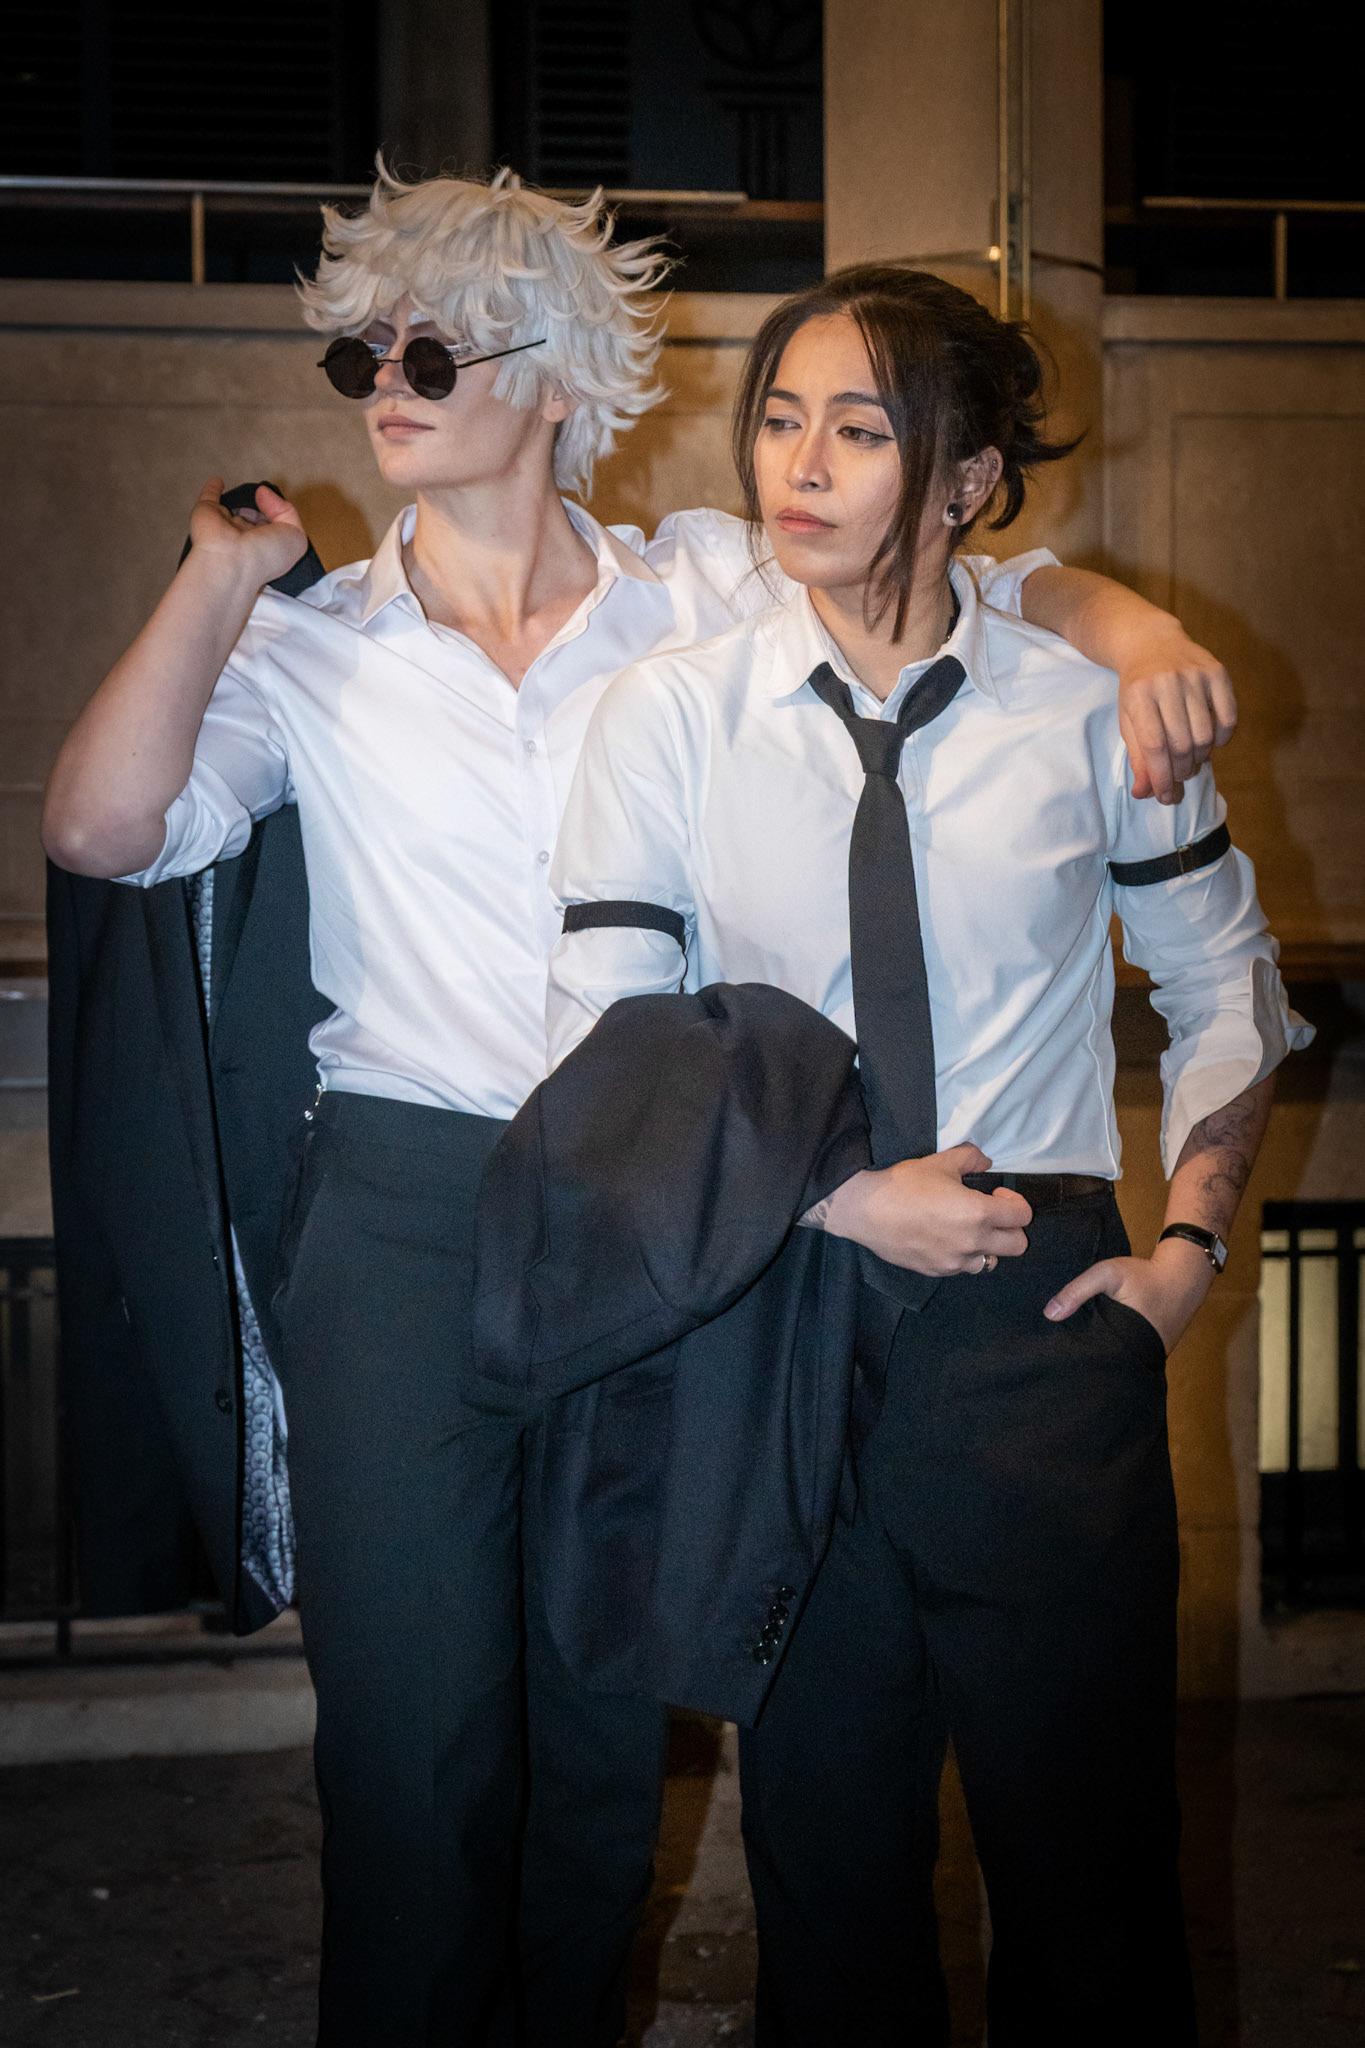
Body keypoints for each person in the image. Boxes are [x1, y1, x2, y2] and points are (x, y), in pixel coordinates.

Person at [43, 162, 1242, 2047]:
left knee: (607, 1722)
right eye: (361, 352)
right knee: (418, 1740)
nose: (381, 386)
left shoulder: (692, 580)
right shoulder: (311, 645)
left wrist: (1135, 633)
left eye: (429, 350)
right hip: (414, 1201)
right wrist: (214, 580)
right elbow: (105, 830)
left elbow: (963, 568)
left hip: (657, 1209)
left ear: (553, 378)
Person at [545, 263, 1312, 2045]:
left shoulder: (1086, 709)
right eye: (778, 420)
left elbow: (1228, 987)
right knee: (827, 1878)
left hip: (1044, 1323)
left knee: (1092, 1875)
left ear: (967, 478)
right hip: (791, 1308)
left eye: (858, 428)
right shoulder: (671, 713)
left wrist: (1184, 1256)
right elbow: (609, 1044)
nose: (797, 465)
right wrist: (830, 1200)